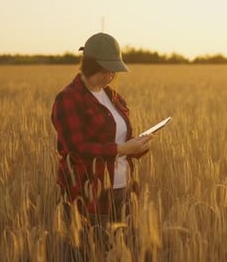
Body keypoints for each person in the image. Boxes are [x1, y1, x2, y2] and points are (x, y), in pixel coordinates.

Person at [51, 32, 152, 258]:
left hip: (123, 190)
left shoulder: (113, 97)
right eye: (107, 70)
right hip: (89, 195)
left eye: (114, 71)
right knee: (90, 251)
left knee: (124, 251)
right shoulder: (68, 98)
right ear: (90, 66)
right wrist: (122, 149)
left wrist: (138, 145)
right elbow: (76, 147)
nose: (111, 76)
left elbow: (122, 138)